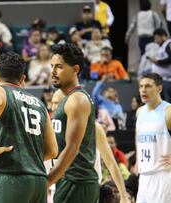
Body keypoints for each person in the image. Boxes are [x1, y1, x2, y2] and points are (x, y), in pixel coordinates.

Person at [0, 52, 58, 202]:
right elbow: (53, 150)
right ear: (22, 79)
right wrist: (28, 157)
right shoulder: (40, 104)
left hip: (11, 176)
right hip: (39, 181)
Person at [51, 89, 130, 203]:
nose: (53, 108)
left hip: (86, 187)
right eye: (52, 103)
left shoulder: (93, 127)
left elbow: (111, 163)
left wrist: (123, 195)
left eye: (57, 103)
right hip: (58, 186)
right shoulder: (52, 127)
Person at [47, 43, 99, 203]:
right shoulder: (67, 99)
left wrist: (46, 182)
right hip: (69, 179)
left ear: (75, 69)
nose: (53, 72)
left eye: (59, 67)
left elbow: (72, 148)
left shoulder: (77, 99)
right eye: (52, 66)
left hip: (77, 181)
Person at [136, 73, 171, 203]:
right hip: (144, 176)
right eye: (141, 86)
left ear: (159, 89)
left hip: (163, 175)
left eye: (148, 86)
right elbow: (138, 135)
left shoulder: (168, 111)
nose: (143, 90)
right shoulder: (140, 112)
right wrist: (137, 161)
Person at [148, 28, 171, 101]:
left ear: (163, 36)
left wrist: (158, 62)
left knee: (167, 102)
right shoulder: (162, 46)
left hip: (167, 79)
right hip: (161, 79)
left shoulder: (169, 44)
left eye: (157, 38)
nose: (156, 41)